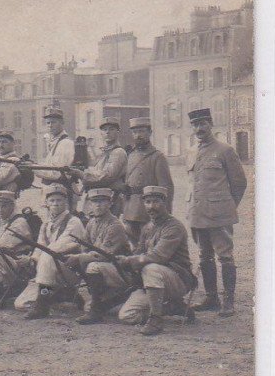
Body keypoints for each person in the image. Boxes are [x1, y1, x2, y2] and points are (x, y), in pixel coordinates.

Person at [185, 107, 248, 316]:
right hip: (198, 213)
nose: (199, 128)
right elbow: (192, 183)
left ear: (210, 124)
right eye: (195, 124)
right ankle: (211, 298)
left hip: (219, 215)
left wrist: (226, 206)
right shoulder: (192, 151)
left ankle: (228, 300)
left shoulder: (225, 150)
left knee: (225, 257)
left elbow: (239, 183)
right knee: (204, 257)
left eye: (203, 123)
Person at [116, 186, 195, 336]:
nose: (151, 206)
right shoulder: (147, 227)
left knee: (150, 268)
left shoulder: (174, 226)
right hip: (153, 281)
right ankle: (172, 308)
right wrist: (123, 257)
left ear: (165, 202)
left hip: (177, 279)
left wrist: (129, 260)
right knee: (127, 316)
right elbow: (139, 252)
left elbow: (158, 256)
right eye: (147, 202)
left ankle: (156, 319)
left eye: (156, 202)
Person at [14, 183, 86, 319]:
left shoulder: (73, 221)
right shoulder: (46, 224)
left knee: (48, 255)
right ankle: (63, 295)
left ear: (66, 202)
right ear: (46, 203)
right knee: (21, 304)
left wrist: (40, 257)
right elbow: (40, 245)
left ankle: (43, 305)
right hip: (48, 271)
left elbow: (59, 247)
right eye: (52, 201)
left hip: (69, 269)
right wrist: (32, 259)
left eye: (59, 200)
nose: (55, 204)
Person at [65, 187, 132, 324]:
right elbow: (85, 248)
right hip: (106, 270)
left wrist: (79, 258)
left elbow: (104, 255)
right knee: (86, 305)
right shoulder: (91, 223)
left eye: (102, 201)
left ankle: (96, 311)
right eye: (94, 202)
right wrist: (80, 258)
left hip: (122, 271)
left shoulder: (115, 225)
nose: (98, 205)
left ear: (110, 203)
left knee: (93, 266)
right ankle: (101, 300)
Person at [121, 117, 174, 246]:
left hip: (148, 210)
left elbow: (166, 186)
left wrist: (165, 213)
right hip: (130, 208)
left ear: (150, 132)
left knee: (150, 244)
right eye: (135, 132)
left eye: (141, 131)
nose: (138, 135)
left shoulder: (157, 156)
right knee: (133, 245)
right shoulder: (129, 154)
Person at [70, 117, 127, 216]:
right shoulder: (104, 152)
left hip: (109, 200)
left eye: (111, 129)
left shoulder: (118, 152)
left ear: (118, 132)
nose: (107, 132)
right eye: (105, 130)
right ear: (101, 133)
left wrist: (82, 175)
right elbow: (96, 172)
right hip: (99, 199)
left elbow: (106, 176)